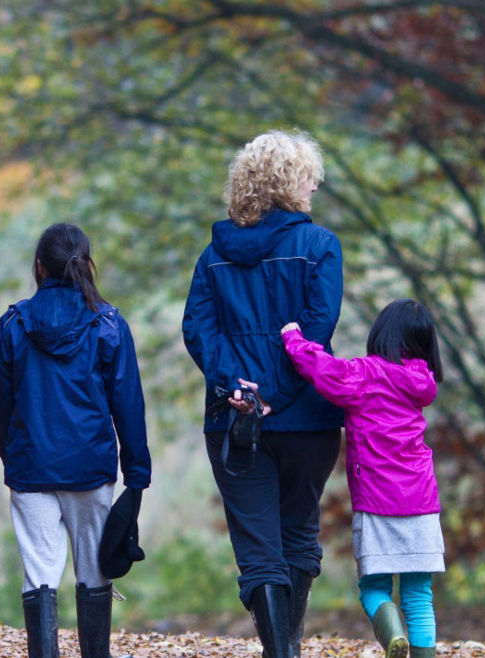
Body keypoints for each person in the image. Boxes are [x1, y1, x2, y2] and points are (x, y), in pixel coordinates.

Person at [181, 129, 344, 658]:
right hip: (308, 418)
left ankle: (282, 653)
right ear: (292, 183)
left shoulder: (212, 256)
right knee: (298, 536)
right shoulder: (321, 247)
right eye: (310, 179)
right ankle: (286, 650)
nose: (314, 188)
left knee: (258, 551)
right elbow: (317, 328)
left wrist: (239, 389)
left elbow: (198, 331)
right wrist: (272, 392)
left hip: (234, 420)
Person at [0, 222, 151, 658]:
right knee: (94, 570)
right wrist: (137, 472)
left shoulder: (14, 324)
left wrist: (13, 457)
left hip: (31, 465)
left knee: (39, 574)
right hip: (90, 467)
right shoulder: (108, 324)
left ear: (39, 266)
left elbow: (0, 405)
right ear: (86, 265)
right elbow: (128, 403)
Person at [280, 299, 446, 658]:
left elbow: (322, 369)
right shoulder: (422, 383)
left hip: (376, 500)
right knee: (419, 595)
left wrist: (293, 338)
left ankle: (394, 636)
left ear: (382, 334)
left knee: (373, 587)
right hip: (421, 502)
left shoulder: (365, 374)